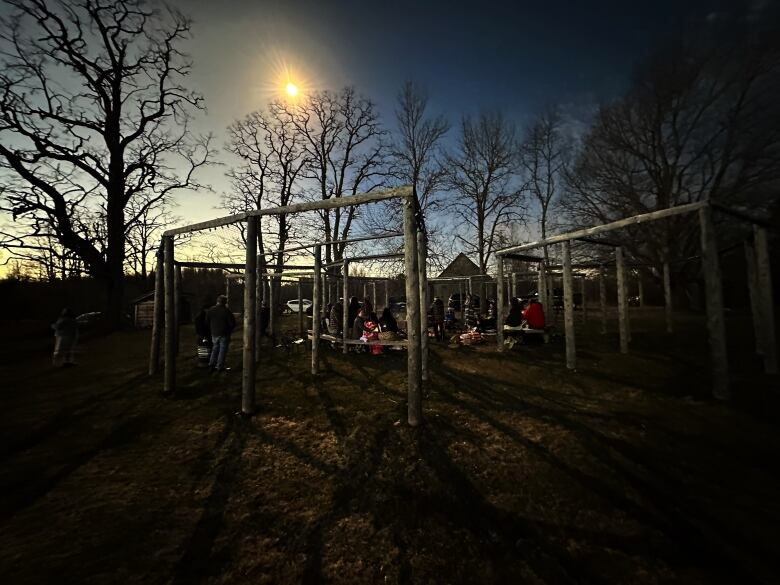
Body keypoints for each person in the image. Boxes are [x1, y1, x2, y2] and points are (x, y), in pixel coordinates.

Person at [207, 295, 236, 372]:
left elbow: (206, 321)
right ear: (225, 302)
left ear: (217, 301)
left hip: (214, 332)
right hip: (224, 333)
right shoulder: (226, 311)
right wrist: (229, 330)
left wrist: (212, 328)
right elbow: (232, 323)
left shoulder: (211, 310)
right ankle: (220, 366)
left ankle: (211, 364)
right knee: (222, 350)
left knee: (215, 348)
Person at [194, 302, 212, 367]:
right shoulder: (201, 317)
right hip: (203, 335)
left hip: (202, 335)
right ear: (205, 309)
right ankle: (203, 363)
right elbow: (201, 327)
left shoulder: (202, 315)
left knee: (205, 348)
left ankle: (204, 362)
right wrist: (205, 336)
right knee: (203, 348)